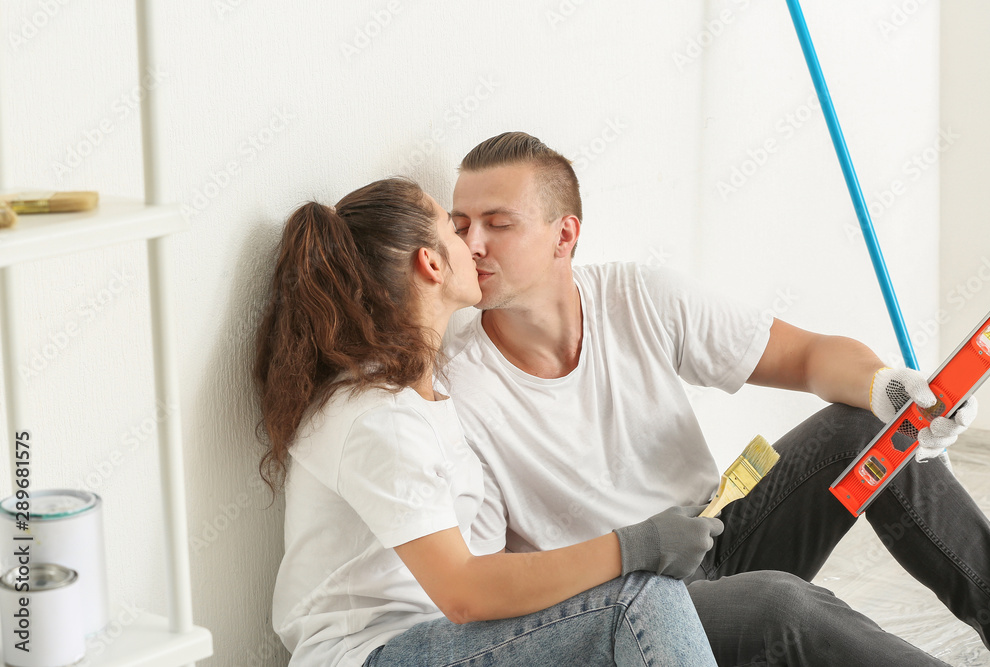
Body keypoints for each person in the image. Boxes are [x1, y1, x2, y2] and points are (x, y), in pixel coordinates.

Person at [438, 131, 990, 666]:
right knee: (781, 607)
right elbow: (483, 588)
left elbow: (805, 355)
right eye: (460, 225)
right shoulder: (456, 388)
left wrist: (887, 388)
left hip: (715, 536)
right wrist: (629, 555)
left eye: (497, 224)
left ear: (564, 235)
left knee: (866, 430)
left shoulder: (637, 297)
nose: (472, 246)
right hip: (621, 609)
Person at [252, 177, 721, 667]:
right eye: (455, 231)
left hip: (452, 640)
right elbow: (463, 591)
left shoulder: (426, 396)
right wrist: (638, 544)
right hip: (376, 654)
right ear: (430, 263)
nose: (473, 248)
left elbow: (484, 572)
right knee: (638, 602)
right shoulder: (376, 417)